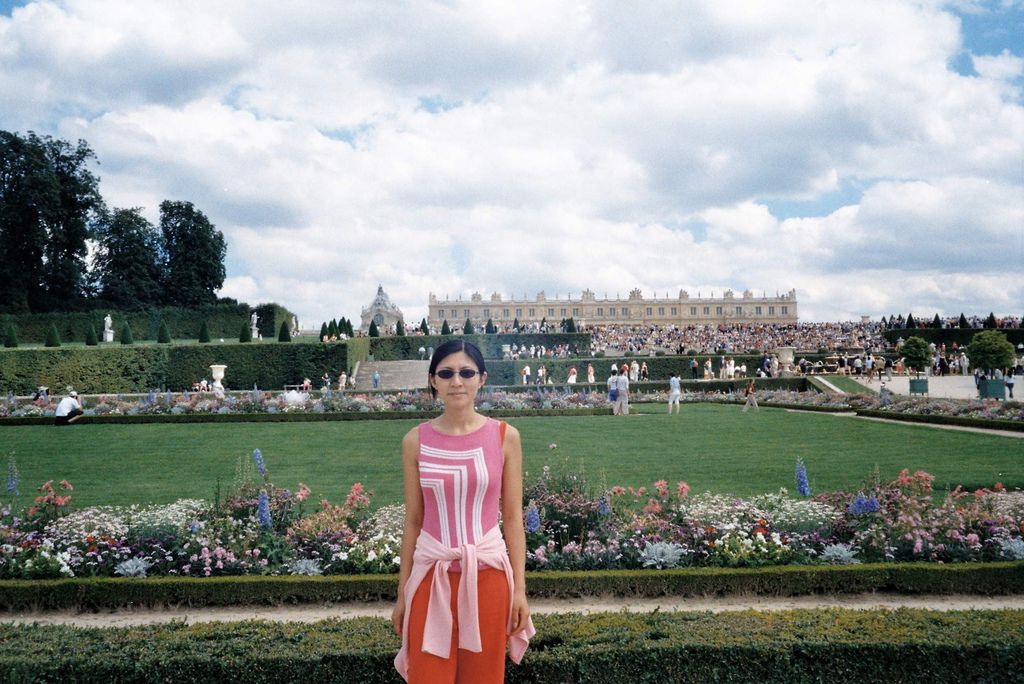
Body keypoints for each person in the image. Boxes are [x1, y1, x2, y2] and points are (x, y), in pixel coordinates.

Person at [392, 340, 534, 682]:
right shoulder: (415, 440)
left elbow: (513, 520)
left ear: (481, 379)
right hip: (430, 579)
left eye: (466, 372)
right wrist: (402, 594)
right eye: (447, 373)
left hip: (488, 578)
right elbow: (413, 521)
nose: (457, 381)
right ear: (433, 380)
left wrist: (520, 589)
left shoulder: (504, 437)